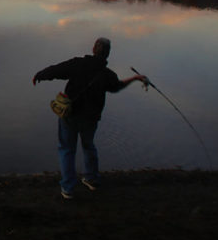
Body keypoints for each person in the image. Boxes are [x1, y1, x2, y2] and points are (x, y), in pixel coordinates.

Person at [32, 37, 146, 199]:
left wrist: (40, 75)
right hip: (91, 118)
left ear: (93, 49)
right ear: (107, 54)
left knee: (66, 149)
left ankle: (68, 188)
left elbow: (57, 70)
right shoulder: (107, 75)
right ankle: (92, 179)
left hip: (70, 114)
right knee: (88, 146)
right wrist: (135, 78)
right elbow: (116, 87)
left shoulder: (78, 64)